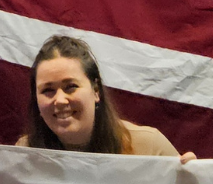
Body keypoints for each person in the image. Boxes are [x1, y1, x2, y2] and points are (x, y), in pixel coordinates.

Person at [19, 35, 191, 160]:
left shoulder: (150, 147)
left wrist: (195, 182)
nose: (60, 100)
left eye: (71, 87)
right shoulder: (23, 154)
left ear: (96, 91)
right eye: (47, 90)